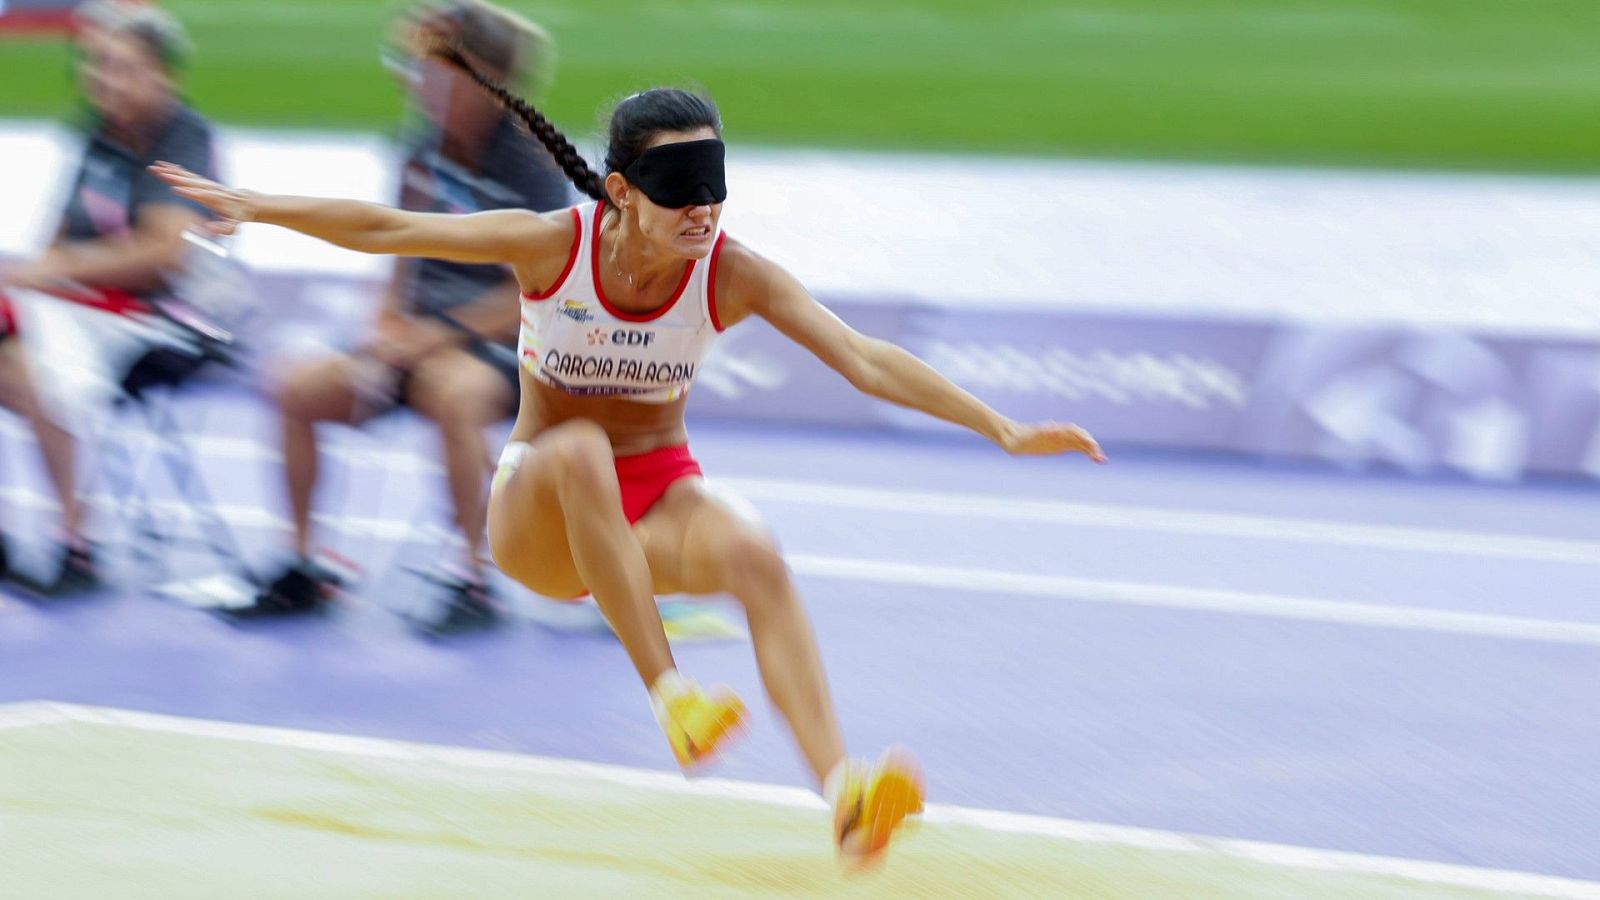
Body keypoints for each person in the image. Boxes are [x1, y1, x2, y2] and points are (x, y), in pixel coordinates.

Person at [152, 37, 1105, 863]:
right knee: (574, 448)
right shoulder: (549, 248)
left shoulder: (729, 275)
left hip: (651, 502)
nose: (704, 210)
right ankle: (672, 700)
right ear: (621, 192)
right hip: (538, 513)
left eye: (716, 186)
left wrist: (1001, 427)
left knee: (754, 551)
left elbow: (863, 357)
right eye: (680, 191)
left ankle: (844, 793)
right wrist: (260, 205)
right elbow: (392, 227)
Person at [238, 1, 569, 636]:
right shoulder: (419, 149)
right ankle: (305, 564)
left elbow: (534, 290)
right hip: (418, 340)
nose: (416, 81)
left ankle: (473, 578)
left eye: (434, 69)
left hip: (502, 344)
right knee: (294, 385)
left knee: (453, 395)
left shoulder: (534, 159)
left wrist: (437, 336)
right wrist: (384, 330)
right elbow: (397, 256)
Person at [0, 0, 214, 595]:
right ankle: (69, 540)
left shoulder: (183, 139)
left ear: (161, 75)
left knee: (32, 366)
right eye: (95, 66)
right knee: (13, 363)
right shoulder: (96, 136)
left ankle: (76, 542)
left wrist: (58, 270)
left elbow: (163, 254)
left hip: (169, 320)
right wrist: (41, 271)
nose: (102, 80)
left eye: (119, 67)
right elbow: (58, 237)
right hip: (82, 310)